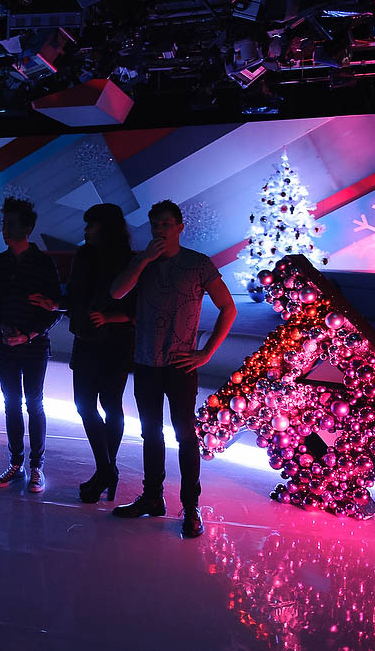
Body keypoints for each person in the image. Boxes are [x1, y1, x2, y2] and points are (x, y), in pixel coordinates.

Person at [109, 200, 237, 538]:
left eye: (166, 224)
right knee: (150, 432)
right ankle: (152, 497)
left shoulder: (198, 263)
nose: (160, 230)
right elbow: (117, 292)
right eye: (155, 225)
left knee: (185, 434)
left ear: (180, 227)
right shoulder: (142, 261)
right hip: (146, 361)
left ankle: (190, 506)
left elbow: (228, 307)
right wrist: (142, 261)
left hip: (180, 363)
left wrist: (206, 353)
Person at [30, 203, 136, 504]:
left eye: (91, 225)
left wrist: (109, 317)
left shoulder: (127, 260)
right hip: (88, 338)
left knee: (109, 405)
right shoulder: (84, 256)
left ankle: (105, 471)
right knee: (86, 404)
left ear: (106, 227)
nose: (86, 230)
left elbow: (136, 308)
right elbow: (75, 298)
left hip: (115, 341)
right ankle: (107, 469)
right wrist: (55, 304)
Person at [0, 198, 62, 493]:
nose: (5, 229)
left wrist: (29, 334)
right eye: (4, 224)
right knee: (11, 403)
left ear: (27, 227)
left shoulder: (43, 263)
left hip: (34, 346)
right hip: (5, 345)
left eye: (11, 224)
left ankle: (36, 466)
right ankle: (16, 464)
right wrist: (1, 327)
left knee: (34, 402)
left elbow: (55, 307)